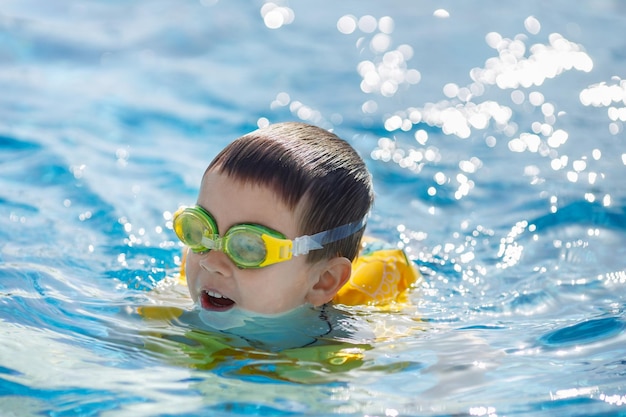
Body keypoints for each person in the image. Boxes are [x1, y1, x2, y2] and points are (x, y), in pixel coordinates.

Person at [171, 121, 419, 319]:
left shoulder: (352, 342)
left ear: (323, 281)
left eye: (249, 246)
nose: (211, 263)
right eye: (199, 229)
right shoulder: (197, 265)